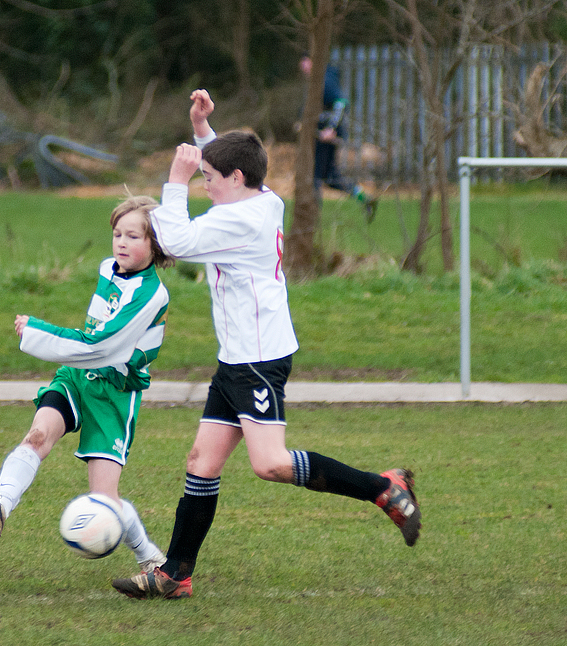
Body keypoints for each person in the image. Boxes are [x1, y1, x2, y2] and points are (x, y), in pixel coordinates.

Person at [111, 89, 421, 600]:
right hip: (237, 358)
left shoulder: (239, 219)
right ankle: (174, 573)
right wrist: (204, 133)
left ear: (234, 180)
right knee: (201, 463)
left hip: (256, 360)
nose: (204, 186)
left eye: (210, 179)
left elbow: (177, 242)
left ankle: (384, 488)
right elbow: (233, 169)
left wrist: (175, 181)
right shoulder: (261, 198)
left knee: (270, 464)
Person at [0, 195, 173, 575]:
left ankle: (149, 557)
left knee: (105, 500)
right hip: (77, 376)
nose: (122, 243)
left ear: (155, 244)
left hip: (113, 393)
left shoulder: (151, 295)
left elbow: (102, 345)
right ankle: (0, 505)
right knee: (37, 435)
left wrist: (38, 331)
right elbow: (91, 337)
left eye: (133, 236)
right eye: (117, 234)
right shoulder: (107, 269)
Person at [298, 53, 378, 223]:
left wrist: (330, 128)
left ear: (312, 61)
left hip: (326, 139)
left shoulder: (324, 81)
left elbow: (341, 102)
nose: (302, 67)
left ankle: (311, 220)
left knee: (316, 175)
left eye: (305, 62)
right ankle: (364, 198)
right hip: (320, 136)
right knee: (330, 177)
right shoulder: (316, 82)